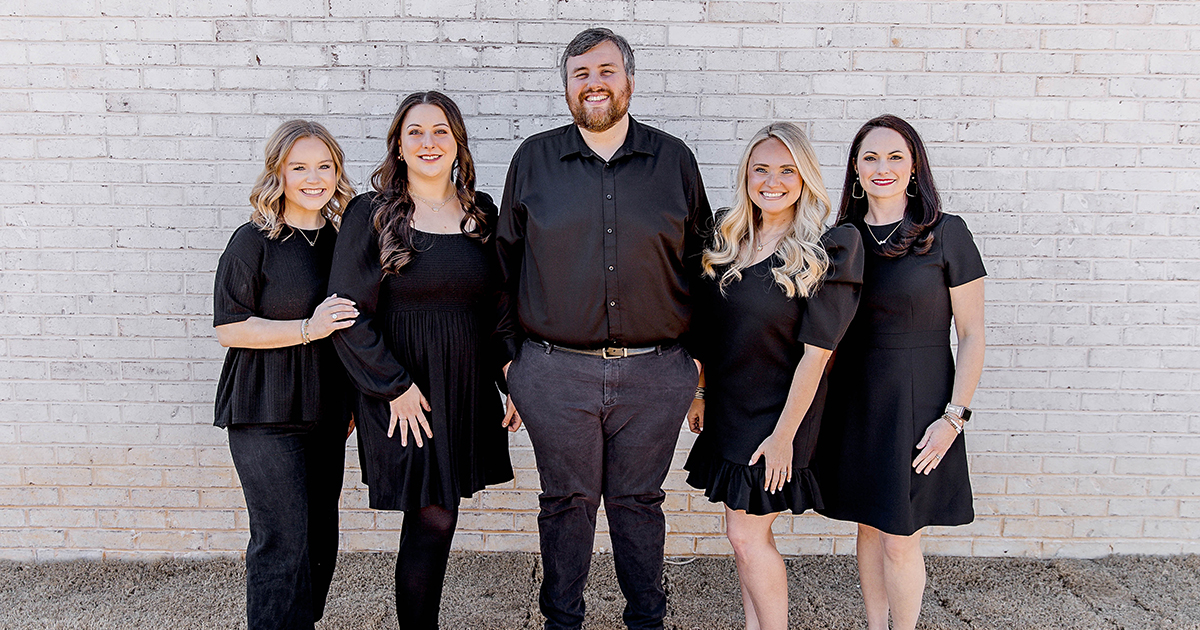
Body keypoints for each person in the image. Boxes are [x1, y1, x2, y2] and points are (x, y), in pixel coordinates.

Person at [495, 27, 710, 630]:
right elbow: (502, 269)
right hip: (553, 371)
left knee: (638, 504)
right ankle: (562, 621)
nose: (594, 84)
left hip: (657, 371)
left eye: (606, 71)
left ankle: (647, 619)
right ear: (566, 87)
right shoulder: (532, 160)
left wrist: (696, 369)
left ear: (630, 82)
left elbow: (702, 265)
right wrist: (511, 364)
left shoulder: (674, 160)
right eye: (580, 74)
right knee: (566, 505)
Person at [328, 91, 515, 630]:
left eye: (439, 131)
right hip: (403, 392)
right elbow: (346, 313)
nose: (428, 142)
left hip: (463, 388)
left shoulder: (482, 215)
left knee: (440, 513)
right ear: (399, 144)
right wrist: (394, 387)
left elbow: (500, 312)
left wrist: (513, 379)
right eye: (416, 132)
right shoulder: (373, 213)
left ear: (457, 142)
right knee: (432, 514)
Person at [683, 122, 863, 630]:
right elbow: (708, 327)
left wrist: (784, 436)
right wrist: (699, 391)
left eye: (787, 170)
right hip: (729, 407)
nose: (772, 181)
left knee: (747, 536)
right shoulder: (730, 237)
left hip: (781, 413)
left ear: (804, 177)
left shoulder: (831, 248)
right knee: (740, 536)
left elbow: (817, 356)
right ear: (746, 175)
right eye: (760, 169)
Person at [814, 114, 986, 630]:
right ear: (855, 168)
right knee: (868, 527)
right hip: (855, 401)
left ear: (914, 169)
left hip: (918, 403)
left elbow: (972, 333)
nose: (882, 167)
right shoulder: (839, 239)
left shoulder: (947, 233)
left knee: (900, 535)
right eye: (870, 157)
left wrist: (954, 417)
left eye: (895, 157)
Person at [212, 119, 356, 630]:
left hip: (327, 410)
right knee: (281, 537)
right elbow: (230, 328)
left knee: (320, 535)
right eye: (299, 167)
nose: (313, 178)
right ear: (279, 172)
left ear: (337, 172)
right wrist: (307, 329)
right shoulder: (254, 240)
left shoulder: (345, 241)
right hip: (263, 409)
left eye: (324, 166)